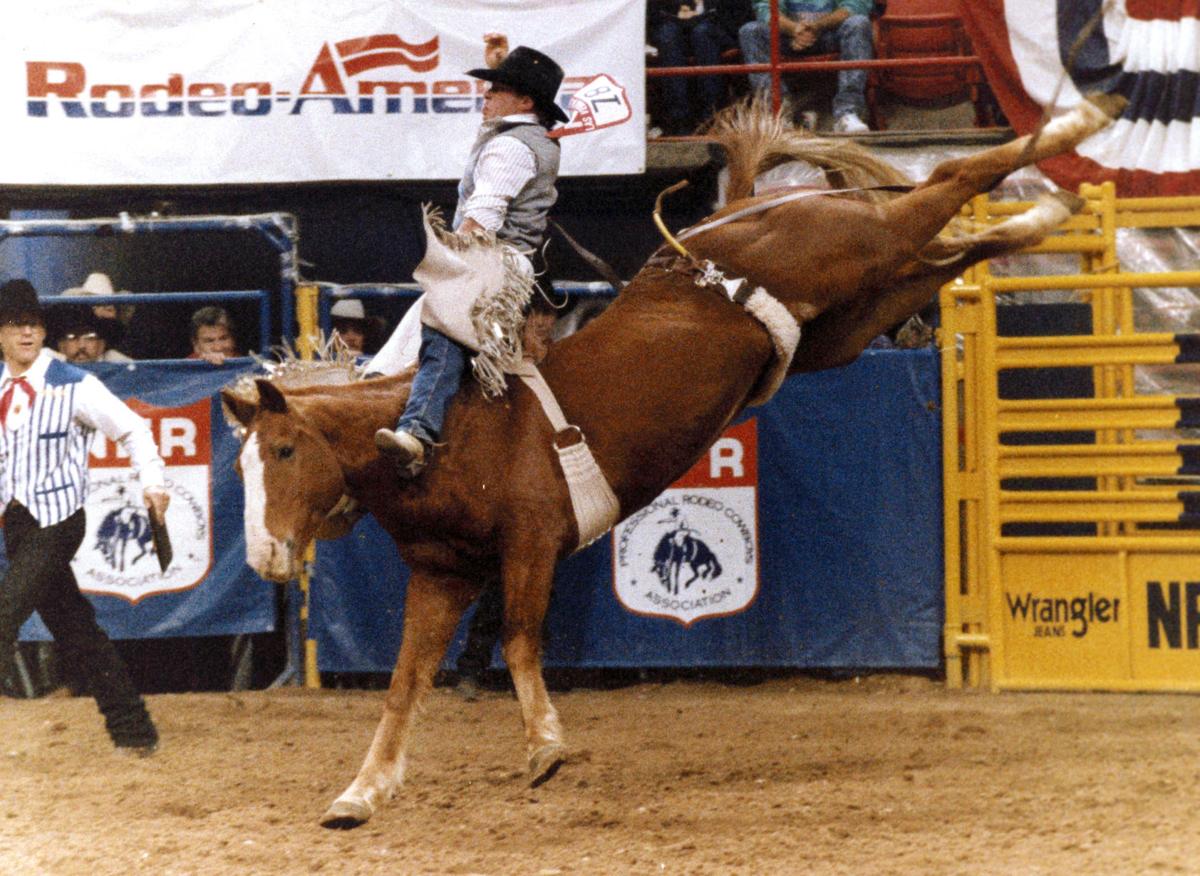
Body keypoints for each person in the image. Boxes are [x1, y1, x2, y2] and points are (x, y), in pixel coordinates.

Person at [373, 38, 567, 475]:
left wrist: (451, 266)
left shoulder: (511, 146)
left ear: (524, 101)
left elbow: (482, 220)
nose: (486, 94)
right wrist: (501, 66)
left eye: (496, 88)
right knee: (407, 343)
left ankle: (417, 431)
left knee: (444, 330)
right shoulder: (525, 137)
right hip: (506, 261)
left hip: (489, 259)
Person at [0, 279, 168, 754]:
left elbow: (133, 429)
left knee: (5, 614)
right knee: (78, 632)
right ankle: (135, 731)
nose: (27, 333)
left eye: (34, 325)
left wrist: (153, 482)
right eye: (15, 325)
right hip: (17, 524)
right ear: (0, 334)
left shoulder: (75, 384)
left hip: (59, 521)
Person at [738, 0, 875, 133]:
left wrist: (817, 26)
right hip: (787, 35)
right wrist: (794, 29)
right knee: (751, 31)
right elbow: (766, 10)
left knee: (859, 23)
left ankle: (847, 113)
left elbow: (854, 6)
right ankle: (778, 113)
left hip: (831, 34)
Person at [648, 0, 754, 135]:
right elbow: (653, 15)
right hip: (675, 27)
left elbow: (740, 14)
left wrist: (704, 14)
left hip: (717, 26)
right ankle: (679, 120)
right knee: (668, 35)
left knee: (702, 34)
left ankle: (712, 118)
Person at [52, 306, 132, 364]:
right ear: (61, 345)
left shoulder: (118, 363)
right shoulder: (51, 363)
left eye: (90, 337)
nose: (81, 346)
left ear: (101, 345)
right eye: (72, 337)